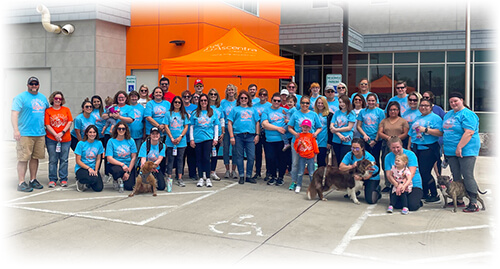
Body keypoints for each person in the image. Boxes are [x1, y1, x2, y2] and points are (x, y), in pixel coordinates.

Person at [442, 92, 481, 212]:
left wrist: (459, 147)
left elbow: (469, 132)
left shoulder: (468, 114)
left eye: (455, 101)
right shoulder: (448, 114)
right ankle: (459, 200)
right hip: (451, 151)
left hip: (466, 150)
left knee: (467, 175)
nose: (453, 103)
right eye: (451, 102)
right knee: (456, 175)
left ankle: (473, 202)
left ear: (462, 100)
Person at [12, 76, 50, 192]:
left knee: (35, 158)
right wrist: (16, 130)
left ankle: (33, 180)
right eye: (31, 84)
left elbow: (48, 114)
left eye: (36, 84)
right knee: (23, 158)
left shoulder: (43, 98)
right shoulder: (20, 98)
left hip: (39, 133)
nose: (34, 86)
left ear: (39, 85)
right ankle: (21, 182)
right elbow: (14, 114)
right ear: (28, 85)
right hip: (25, 134)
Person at [408, 98, 443, 203]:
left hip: (429, 148)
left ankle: (434, 194)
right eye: (421, 105)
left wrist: (426, 130)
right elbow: (411, 133)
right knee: (419, 171)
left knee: (425, 172)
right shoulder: (417, 118)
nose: (423, 107)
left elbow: (440, 133)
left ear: (431, 107)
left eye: (426, 105)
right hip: (416, 147)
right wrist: (409, 146)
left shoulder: (435, 118)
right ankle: (425, 193)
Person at [287, 95, 322, 192]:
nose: (305, 105)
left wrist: (315, 133)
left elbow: (319, 127)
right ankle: (294, 182)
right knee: (295, 163)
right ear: (300, 103)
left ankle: (313, 184)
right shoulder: (295, 114)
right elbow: (289, 127)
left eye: (307, 103)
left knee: (312, 165)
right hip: (298, 142)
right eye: (303, 103)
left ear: (309, 104)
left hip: (310, 143)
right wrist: (295, 134)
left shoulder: (314, 114)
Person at [228, 90, 260, 184]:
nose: (243, 99)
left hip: (250, 136)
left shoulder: (253, 109)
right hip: (238, 136)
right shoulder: (235, 109)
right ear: (239, 99)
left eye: (245, 98)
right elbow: (230, 123)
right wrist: (231, 136)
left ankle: (249, 176)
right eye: (242, 98)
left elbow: (257, 122)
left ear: (248, 99)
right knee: (239, 156)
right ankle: (241, 175)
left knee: (251, 157)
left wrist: (257, 135)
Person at [384, 136, 423, 211]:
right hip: (396, 184)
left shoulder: (410, 155)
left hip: (412, 183)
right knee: (397, 205)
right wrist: (397, 185)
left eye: (398, 147)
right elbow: (389, 175)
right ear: (390, 147)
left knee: (412, 206)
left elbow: (411, 173)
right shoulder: (388, 157)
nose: (396, 150)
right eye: (393, 148)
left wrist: (402, 184)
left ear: (401, 145)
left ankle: (417, 199)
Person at [378, 101, 409, 192]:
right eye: (391, 110)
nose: (393, 111)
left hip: (399, 145)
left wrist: (395, 139)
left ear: (398, 110)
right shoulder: (384, 121)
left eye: (395, 110)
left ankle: (400, 182)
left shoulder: (403, 121)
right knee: (386, 163)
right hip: (386, 145)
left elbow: (405, 133)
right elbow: (380, 132)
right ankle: (388, 184)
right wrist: (389, 138)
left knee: (400, 163)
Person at [190, 93, 220, 187]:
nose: (203, 102)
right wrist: (192, 139)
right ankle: (200, 178)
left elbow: (216, 126)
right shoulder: (195, 113)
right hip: (198, 139)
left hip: (208, 138)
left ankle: (207, 177)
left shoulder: (212, 112)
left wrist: (215, 138)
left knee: (207, 158)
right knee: (199, 159)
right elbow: (191, 127)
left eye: (205, 100)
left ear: (208, 102)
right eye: (202, 100)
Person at [339, 138, 381, 204]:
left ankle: (377, 190)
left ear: (362, 148)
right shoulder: (349, 154)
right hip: (358, 176)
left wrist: (361, 178)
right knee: (348, 176)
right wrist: (352, 166)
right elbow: (341, 167)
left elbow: (370, 175)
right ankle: (356, 191)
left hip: (371, 177)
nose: (355, 150)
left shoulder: (369, 157)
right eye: (353, 148)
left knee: (371, 200)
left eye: (357, 148)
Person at [44, 91, 73, 188]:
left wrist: (62, 133)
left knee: (64, 159)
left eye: (60, 99)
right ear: (52, 99)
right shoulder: (48, 111)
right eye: (56, 98)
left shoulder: (66, 110)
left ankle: (63, 179)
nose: (57, 100)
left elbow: (69, 122)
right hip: (52, 139)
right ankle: (52, 179)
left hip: (65, 139)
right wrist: (55, 134)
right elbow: (47, 125)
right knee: (53, 159)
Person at [261, 92, 289, 186]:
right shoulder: (266, 111)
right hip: (269, 140)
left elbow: (291, 120)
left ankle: (280, 177)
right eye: (275, 100)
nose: (276, 102)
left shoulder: (284, 111)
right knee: (270, 158)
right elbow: (265, 124)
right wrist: (278, 128)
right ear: (271, 100)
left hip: (282, 140)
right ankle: (273, 176)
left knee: (282, 159)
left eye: (278, 101)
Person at [164, 96, 189, 187]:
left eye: (179, 102)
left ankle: (180, 178)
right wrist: (171, 137)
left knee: (180, 160)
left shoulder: (184, 114)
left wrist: (180, 137)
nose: (177, 104)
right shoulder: (168, 114)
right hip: (170, 141)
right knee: (170, 159)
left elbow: (186, 126)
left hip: (181, 142)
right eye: (175, 102)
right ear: (173, 103)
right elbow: (166, 126)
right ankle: (169, 177)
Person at [105, 122, 137, 192]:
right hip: (116, 164)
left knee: (130, 187)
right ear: (116, 130)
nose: (121, 130)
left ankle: (123, 179)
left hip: (128, 165)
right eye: (119, 129)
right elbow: (109, 158)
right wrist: (122, 164)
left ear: (126, 130)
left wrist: (128, 172)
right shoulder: (111, 141)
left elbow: (133, 157)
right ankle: (116, 179)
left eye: (123, 129)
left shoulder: (131, 141)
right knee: (117, 171)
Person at [357, 93, 385, 169]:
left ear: (376, 101)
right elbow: (358, 126)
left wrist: (375, 140)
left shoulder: (380, 112)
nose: (371, 102)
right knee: (364, 159)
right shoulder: (362, 112)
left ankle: (375, 177)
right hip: (365, 139)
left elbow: (381, 127)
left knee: (375, 159)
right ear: (366, 101)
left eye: (373, 100)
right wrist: (364, 135)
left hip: (376, 139)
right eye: (369, 100)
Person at [74, 125, 104, 192]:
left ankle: (88, 184)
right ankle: (80, 181)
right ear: (87, 133)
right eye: (90, 132)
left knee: (99, 188)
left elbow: (98, 159)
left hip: (93, 168)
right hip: (82, 168)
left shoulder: (99, 143)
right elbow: (78, 161)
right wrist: (88, 168)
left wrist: (96, 170)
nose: (92, 134)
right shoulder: (81, 144)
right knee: (92, 179)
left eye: (94, 132)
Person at [422, 90, 446, 175]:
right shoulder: (420, 109)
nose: (425, 99)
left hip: (437, 139)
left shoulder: (438, 109)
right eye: (423, 97)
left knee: (436, 160)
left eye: (427, 97)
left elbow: (445, 121)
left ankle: (439, 177)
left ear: (432, 98)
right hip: (423, 141)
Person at [294, 119, 319, 193]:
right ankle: (299, 185)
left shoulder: (311, 136)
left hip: (310, 156)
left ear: (310, 128)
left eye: (307, 127)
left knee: (311, 173)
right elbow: (296, 147)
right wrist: (298, 143)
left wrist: (315, 156)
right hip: (302, 156)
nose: (305, 129)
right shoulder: (299, 135)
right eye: (304, 127)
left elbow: (315, 146)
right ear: (301, 127)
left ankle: (313, 186)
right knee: (300, 172)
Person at [138, 127, 167, 192]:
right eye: (153, 134)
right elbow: (143, 159)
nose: (155, 135)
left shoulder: (162, 146)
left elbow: (159, 160)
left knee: (161, 187)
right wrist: (148, 168)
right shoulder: (145, 144)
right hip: (145, 168)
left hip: (156, 168)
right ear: (150, 135)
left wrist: (153, 167)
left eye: (157, 134)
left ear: (159, 135)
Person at [330, 95, 356, 166]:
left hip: (347, 140)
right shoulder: (336, 113)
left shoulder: (351, 113)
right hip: (336, 139)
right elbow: (331, 126)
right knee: (338, 160)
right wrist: (339, 134)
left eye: (343, 102)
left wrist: (336, 129)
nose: (342, 104)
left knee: (344, 161)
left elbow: (349, 127)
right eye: (340, 102)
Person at [252, 88, 272, 181]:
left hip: (267, 132)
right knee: (257, 153)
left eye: (264, 94)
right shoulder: (254, 106)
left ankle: (268, 172)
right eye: (261, 94)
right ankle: (258, 172)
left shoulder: (270, 106)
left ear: (267, 96)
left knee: (268, 153)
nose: (262, 96)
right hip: (258, 132)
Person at [220, 84, 238, 179]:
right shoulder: (223, 102)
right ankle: (227, 169)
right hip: (226, 128)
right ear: (226, 92)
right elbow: (222, 116)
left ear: (235, 91)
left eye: (232, 90)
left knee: (235, 150)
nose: (231, 91)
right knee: (226, 149)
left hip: (235, 129)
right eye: (229, 90)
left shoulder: (237, 102)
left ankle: (234, 170)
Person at [208, 88, 225, 181]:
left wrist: (222, 133)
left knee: (215, 154)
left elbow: (222, 120)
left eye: (215, 94)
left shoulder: (219, 107)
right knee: (206, 154)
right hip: (207, 134)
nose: (213, 96)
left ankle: (213, 172)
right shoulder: (206, 106)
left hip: (217, 134)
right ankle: (205, 172)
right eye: (211, 94)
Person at [185, 91, 200, 180]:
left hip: (192, 135)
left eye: (188, 96)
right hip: (182, 135)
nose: (186, 98)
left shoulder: (195, 107)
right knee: (181, 156)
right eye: (184, 96)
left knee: (192, 156)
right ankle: (180, 174)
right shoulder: (180, 107)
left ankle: (193, 173)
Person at [314, 96, 331, 168]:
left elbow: (330, 130)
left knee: (321, 160)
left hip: (324, 140)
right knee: (313, 161)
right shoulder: (313, 114)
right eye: (318, 103)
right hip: (314, 139)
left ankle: (322, 177)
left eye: (322, 103)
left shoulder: (329, 115)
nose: (320, 104)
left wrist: (329, 142)